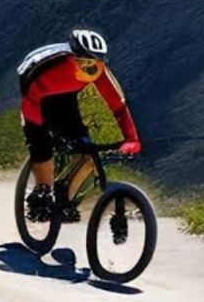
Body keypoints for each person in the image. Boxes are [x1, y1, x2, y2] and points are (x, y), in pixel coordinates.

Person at [17, 29, 141, 222]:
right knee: (41, 145)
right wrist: (40, 134)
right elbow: (30, 103)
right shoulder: (51, 69)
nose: (90, 67)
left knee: (88, 152)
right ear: (72, 57)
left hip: (67, 96)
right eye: (83, 62)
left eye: (96, 62)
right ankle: (42, 192)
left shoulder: (99, 72)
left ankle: (65, 202)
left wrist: (131, 139)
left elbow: (118, 107)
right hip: (36, 95)